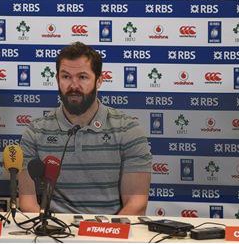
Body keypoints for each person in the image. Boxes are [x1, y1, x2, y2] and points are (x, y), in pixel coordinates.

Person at [18, 42, 152, 215]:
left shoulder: (128, 130)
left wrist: (103, 234)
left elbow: (137, 203)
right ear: (57, 79)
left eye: (82, 77)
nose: (74, 85)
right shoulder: (35, 132)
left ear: (99, 81)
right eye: (66, 77)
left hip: (109, 236)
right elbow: (27, 203)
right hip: (52, 234)